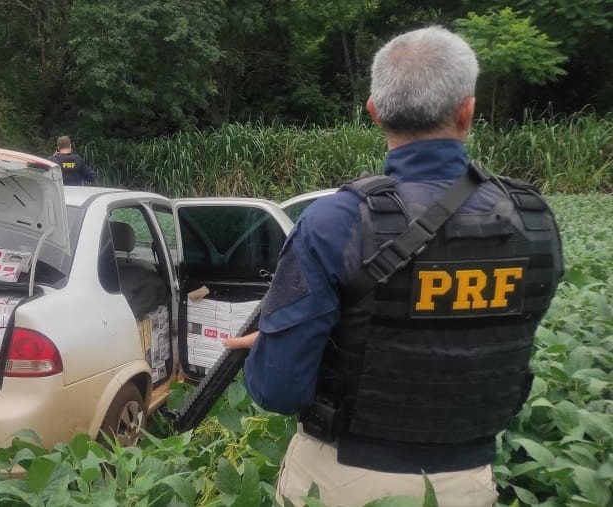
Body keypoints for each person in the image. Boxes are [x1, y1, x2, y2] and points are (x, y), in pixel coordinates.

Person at [222, 26, 563, 506]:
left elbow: (279, 390)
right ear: (468, 110)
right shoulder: (532, 217)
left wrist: (284, 340)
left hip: (344, 479)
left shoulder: (334, 222)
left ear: (374, 111)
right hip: (468, 481)